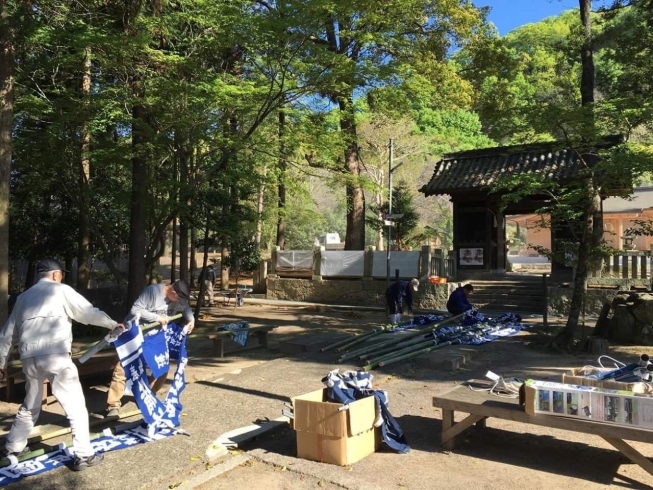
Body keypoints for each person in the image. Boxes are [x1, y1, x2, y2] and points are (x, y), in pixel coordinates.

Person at [0, 259, 124, 471]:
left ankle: (13, 447)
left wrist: (1, 363)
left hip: (29, 357)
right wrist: (112, 323)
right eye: (62, 275)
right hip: (56, 355)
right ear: (56, 275)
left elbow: (7, 334)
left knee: (31, 404)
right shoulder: (60, 291)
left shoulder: (22, 298)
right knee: (75, 405)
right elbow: (86, 312)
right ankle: (84, 455)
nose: (62, 278)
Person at [105, 280, 194, 417]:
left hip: (155, 337)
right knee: (122, 369)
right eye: (178, 298)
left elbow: (185, 308)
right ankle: (113, 405)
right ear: (173, 292)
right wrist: (157, 317)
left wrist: (191, 320)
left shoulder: (178, 300)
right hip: (135, 334)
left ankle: (147, 395)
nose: (179, 302)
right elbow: (135, 310)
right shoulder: (153, 292)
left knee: (162, 368)